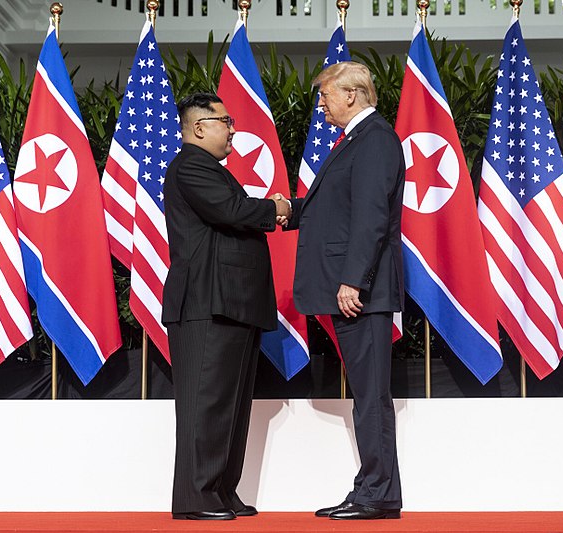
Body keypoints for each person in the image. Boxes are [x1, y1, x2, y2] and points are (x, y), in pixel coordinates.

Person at [283, 61, 405, 520]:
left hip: (361, 293)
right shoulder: (357, 139)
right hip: (353, 289)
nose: (321, 104)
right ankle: (378, 490)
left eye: (325, 95)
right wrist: (286, 210)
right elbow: (335, 208)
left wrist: (353, 279)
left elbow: (371, 217)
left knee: (370, 396)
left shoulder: (374, 139)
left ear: (351, 94)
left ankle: (375, 493)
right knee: (367, 394)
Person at [162, 92, 292, 521]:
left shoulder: (209, 169)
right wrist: (274, 207)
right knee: (206, 403)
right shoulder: (191, 166)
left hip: (231, 302)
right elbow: (231, 210)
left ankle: (220, 491)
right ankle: (197, 498)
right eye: (225, 121)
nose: (233, 128)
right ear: (199, 128)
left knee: (230, 405)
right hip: (207, 302)